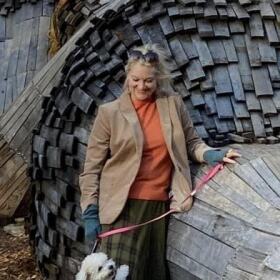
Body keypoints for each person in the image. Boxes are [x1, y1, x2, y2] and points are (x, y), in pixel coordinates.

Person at [79, 44, 240, 280]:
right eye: (135, 79)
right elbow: (91, 169)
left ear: (158, 79)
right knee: (117, 276)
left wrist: (213, 155)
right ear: (127, 76)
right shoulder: (109, 113)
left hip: (157, 207)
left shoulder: (172, 105)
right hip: (119, 208)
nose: (141, 86)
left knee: (150, 274)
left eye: (148, 81)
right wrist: (90, 213)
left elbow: (192, 143)